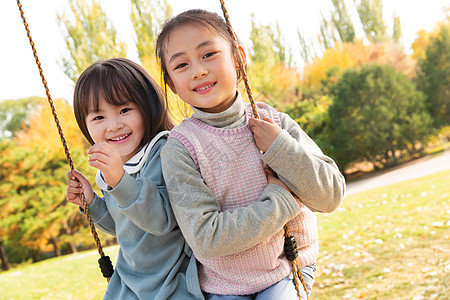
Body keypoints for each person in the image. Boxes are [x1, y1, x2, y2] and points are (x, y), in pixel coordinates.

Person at [156, 9, 346, 300]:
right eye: (181, 65)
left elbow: (330, 196)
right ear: (172, 84)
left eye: (208, 54)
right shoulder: (180, 148)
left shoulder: (275, 123)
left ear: (238, 58)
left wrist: (280, 147)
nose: (198, 70)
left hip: (288, 269)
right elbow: (206, 237)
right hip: (224, 286)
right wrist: (280, 201)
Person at [65, 58, 204, 300]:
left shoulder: (162, 152)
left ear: (147, 107)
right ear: (85, 125)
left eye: (125, 110)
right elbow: (125, 228)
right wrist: (92, 202)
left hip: (172, 281)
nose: (114, 126)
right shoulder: (113, 168)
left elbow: (162, 221)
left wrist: (120, 180)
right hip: (129, 282)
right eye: (99, 118)